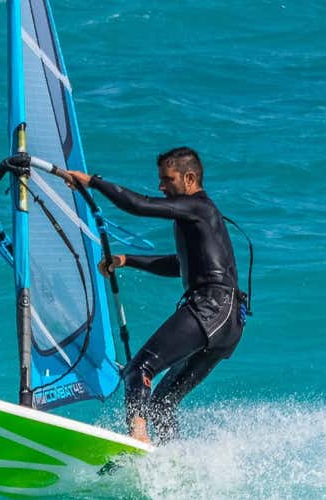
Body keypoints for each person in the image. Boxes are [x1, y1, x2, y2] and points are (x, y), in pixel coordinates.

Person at [61, 147, 245, 444]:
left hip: (212, 307)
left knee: (139, 368)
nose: (161, 187)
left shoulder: (197, 206)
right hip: (229, 321)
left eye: (167, 180)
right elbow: (180, 265)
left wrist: (92, 182)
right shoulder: (197, 216)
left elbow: (139, 205)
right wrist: (127, 260)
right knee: (162, 402)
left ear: (189, 178)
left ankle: (138, 436)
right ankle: (170, 459)